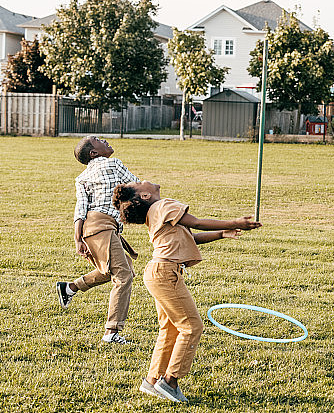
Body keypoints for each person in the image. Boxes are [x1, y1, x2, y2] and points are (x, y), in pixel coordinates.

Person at [112, 180, 261, 403]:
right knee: (192, 327)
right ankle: (170, 382)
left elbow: (192, 238)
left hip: (158, 272)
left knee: (171, 329)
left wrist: (222, 233)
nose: (144, 180)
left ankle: (153, 380)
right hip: (165, 273)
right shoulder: (164, 206)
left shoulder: (155, 213)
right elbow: (198, 223)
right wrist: (236, 221)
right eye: (139, 183)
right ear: (144, 196)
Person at [56, 136, 140, 344]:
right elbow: (138, 188)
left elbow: (81, 209)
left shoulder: (82, 177)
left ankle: (69, 288)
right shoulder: (113, 163)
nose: (104, 140)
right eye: (98, 140)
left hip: (90, 228)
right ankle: (111, 333)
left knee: (115, 270)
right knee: (123, 275)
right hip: (102, 226)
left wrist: (78, 239)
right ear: (94, 153)